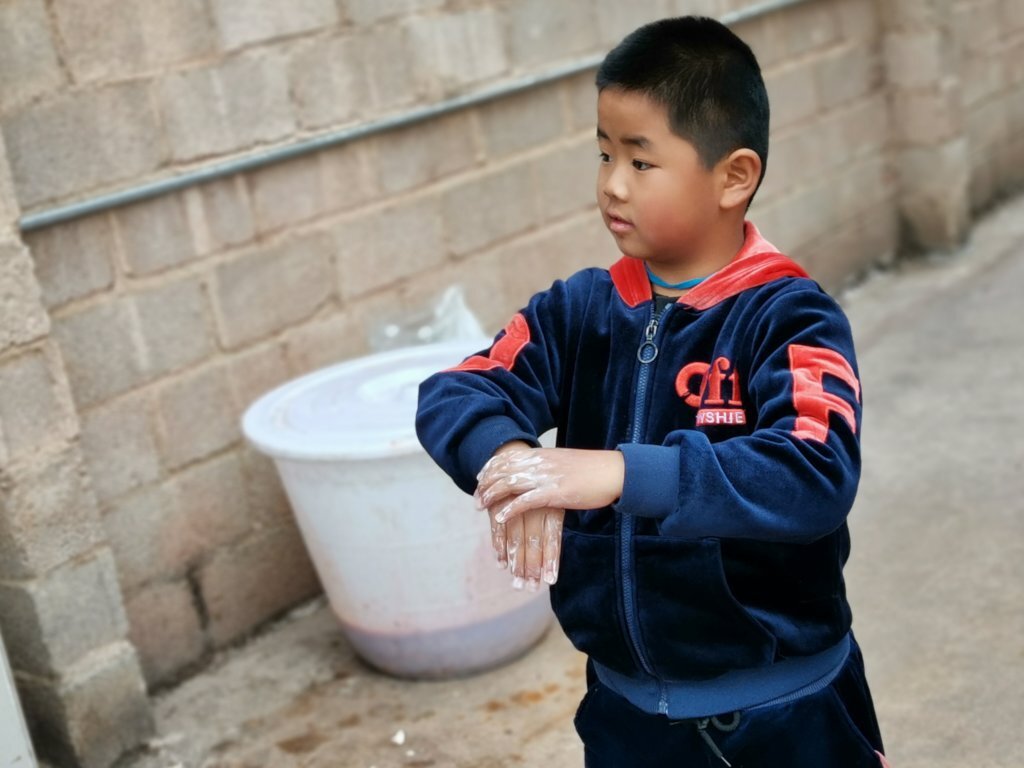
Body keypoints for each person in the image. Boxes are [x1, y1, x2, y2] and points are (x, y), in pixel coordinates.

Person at [416, 15, 889, 767]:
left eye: (641, 161)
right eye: (603, 153)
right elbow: (457, 390)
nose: (611, 183)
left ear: (734, 176)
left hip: (786, 715)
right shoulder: (578, 312)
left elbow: (815, 472)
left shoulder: (789, 316)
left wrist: (622, 473)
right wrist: (508, 455)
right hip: (626, 717)